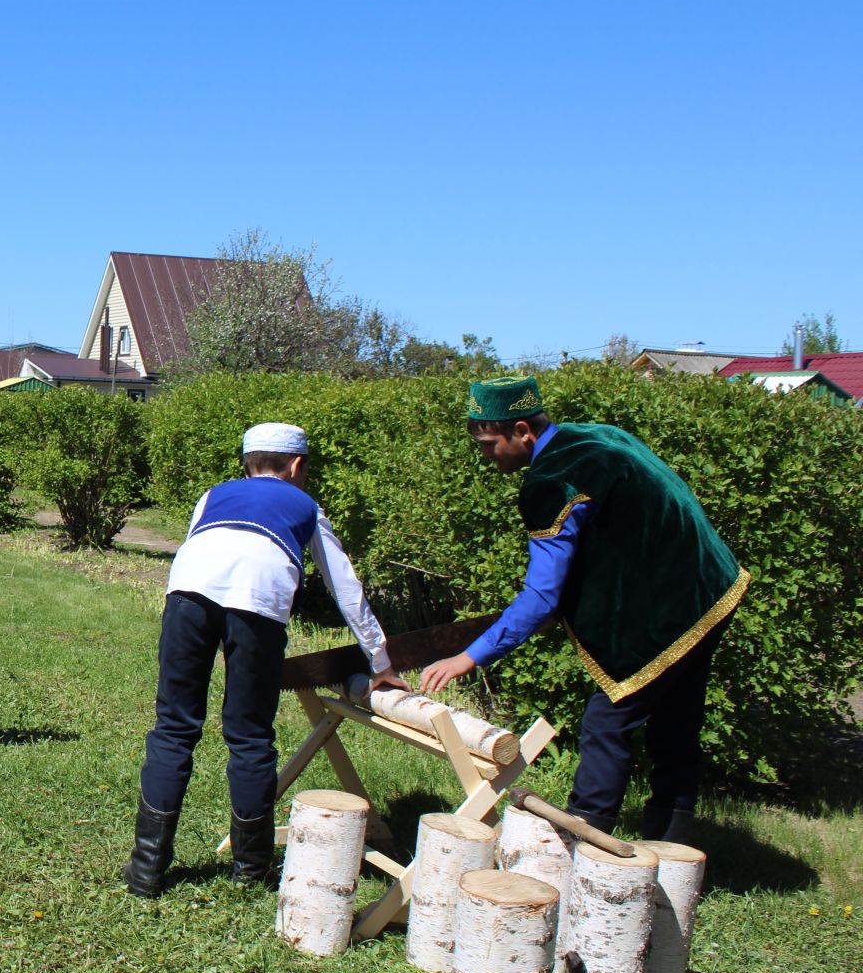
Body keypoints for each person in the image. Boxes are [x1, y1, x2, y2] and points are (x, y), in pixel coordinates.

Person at [420, 377, 747, 844]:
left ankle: (585, 840)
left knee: (606, 720)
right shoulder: (596, 435)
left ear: (522, 431)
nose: (485, 455)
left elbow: (540, 597)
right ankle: (670, 847)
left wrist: (468, 657)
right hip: (714, 586)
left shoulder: (553, 480)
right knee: (677, 720)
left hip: (670, 607)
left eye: (490, 444)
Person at [125, 423, 405, 898]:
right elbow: (346, 589)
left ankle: (146, 872)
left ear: (247, 463)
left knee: (173, 727)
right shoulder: (307, 507)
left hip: (187, 594)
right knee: (250, 734)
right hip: (260, 601)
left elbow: (198, 548)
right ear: (297, 466)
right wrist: (380, 662)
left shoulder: (213, 495)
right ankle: (250, 870)